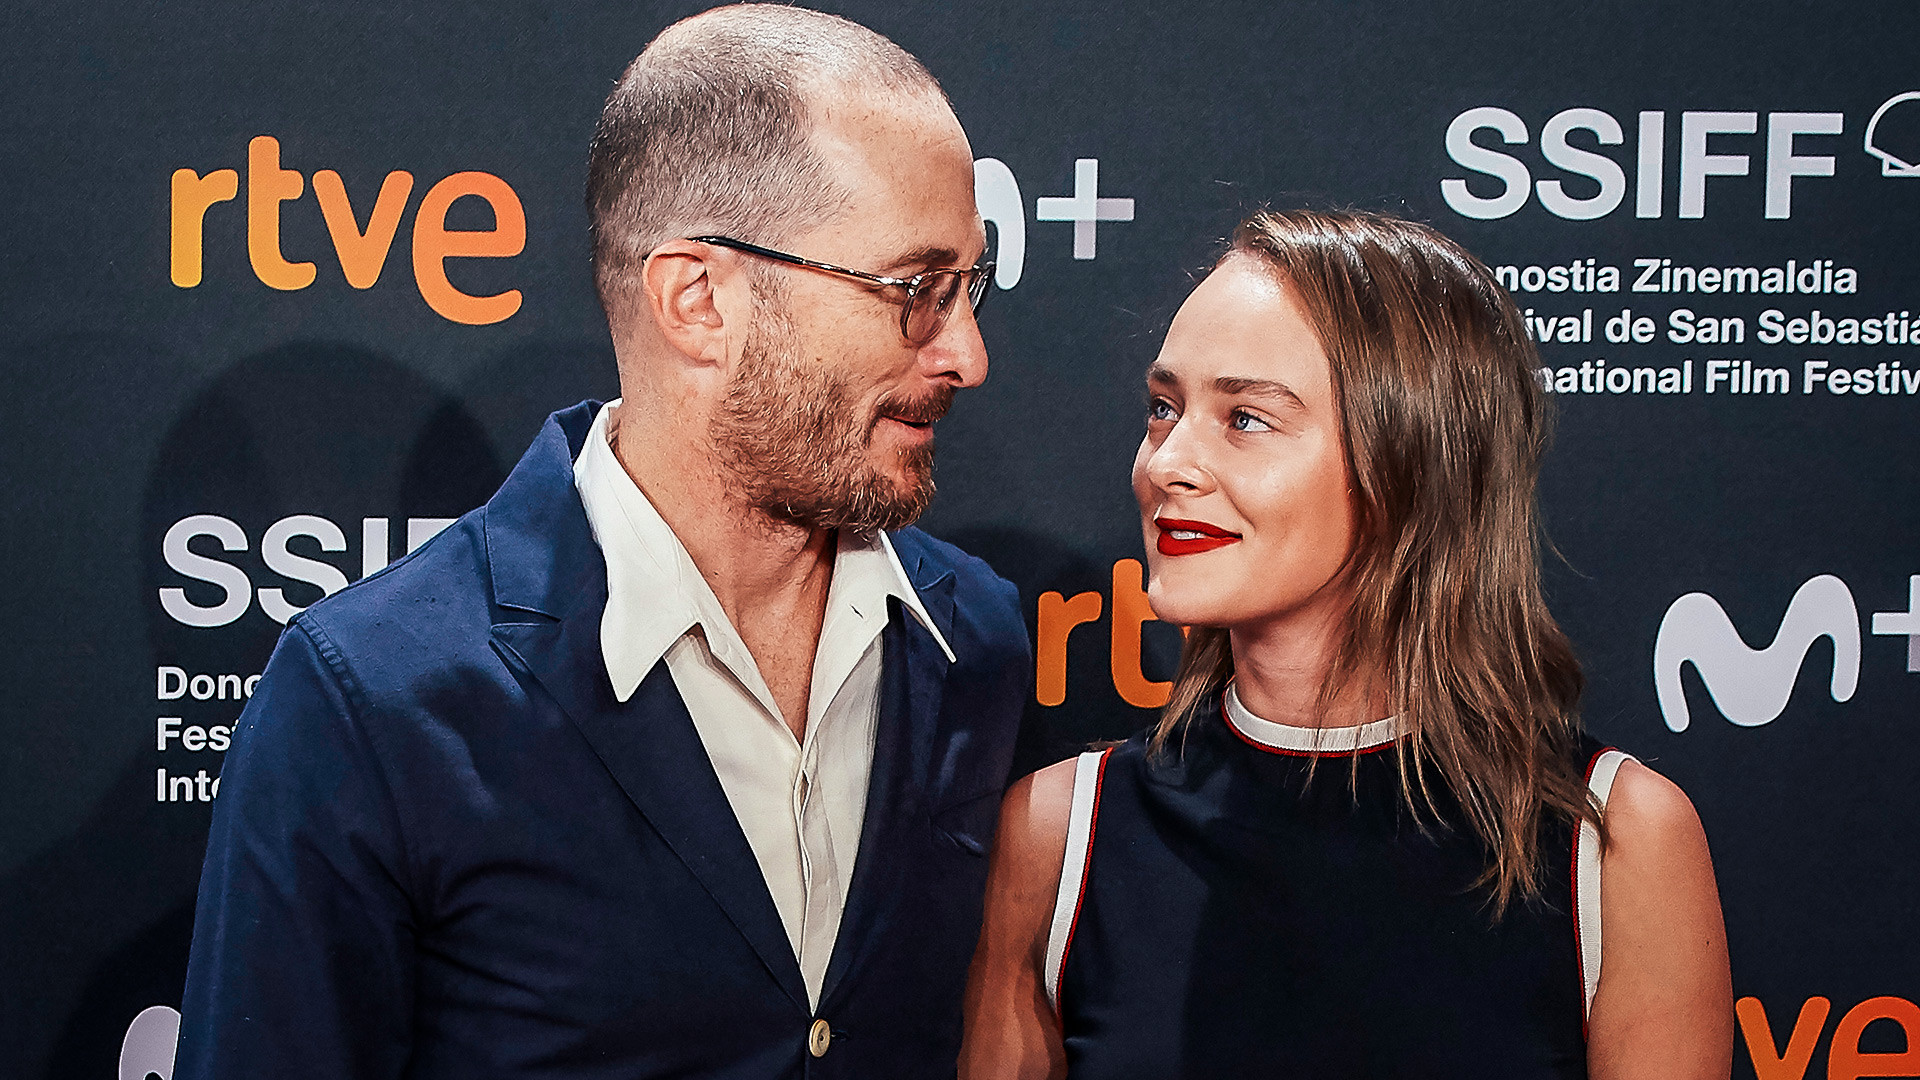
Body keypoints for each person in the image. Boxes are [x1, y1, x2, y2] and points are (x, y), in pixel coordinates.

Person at [177, 6, 1030, 1078]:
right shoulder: (376, 704)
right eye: (917, 292)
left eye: (970, 291)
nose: (967, 353)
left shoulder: (976, 645)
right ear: (700, 299)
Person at [959, 209, 1732, 1078]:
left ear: (1413, 459)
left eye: (1245, 418)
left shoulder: (1617, 842)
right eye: (1164, 407)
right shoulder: (1062, 835)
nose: (1168, 461)